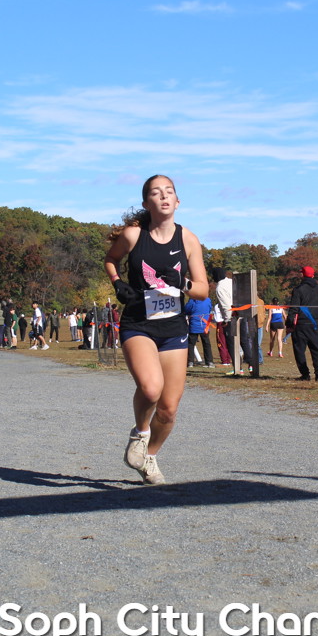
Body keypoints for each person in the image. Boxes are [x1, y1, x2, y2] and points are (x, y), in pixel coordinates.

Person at [104, 174, 208, 485]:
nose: (163, 196)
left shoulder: (188, 239)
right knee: (151, 388)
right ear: (146, 202)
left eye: (169, 191)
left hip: (173, 327)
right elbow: (111, 259)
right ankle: (140, 434)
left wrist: (183, 284)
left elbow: (203, 290)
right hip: (139, 324)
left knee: (169, 410)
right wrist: (118, 283)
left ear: (178, 201)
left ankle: (148, 457)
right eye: (155, 192)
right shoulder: (133, 235)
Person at [287, 266, 318, 382]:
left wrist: (289, 323)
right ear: (313, 275)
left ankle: (305, 374)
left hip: (301, 323)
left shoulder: (298, 289)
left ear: (302, 275)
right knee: (316, 349)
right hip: (314, 323)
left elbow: (294, 308)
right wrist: (316, 313)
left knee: (299, 350)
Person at [184, 293, 214, 367]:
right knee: (206, 343)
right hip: (205, 325)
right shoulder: (207, 300)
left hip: (194, 325)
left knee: (191, 344)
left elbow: (187, 309)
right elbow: (210, 308)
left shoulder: (192, 301)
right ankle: (209, 361)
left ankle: (190, 361)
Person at [214, 266, 234, 365]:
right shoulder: (231, 282)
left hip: (225, 320)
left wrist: (227, 320)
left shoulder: (220, 288)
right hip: (237, 315)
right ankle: (231, 360)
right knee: (233, 341)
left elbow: (226, 306)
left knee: (223, 342)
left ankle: (226, 360)